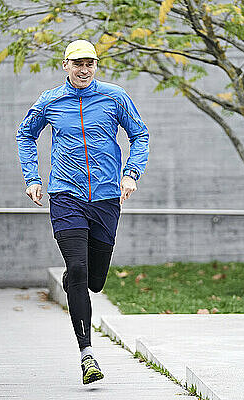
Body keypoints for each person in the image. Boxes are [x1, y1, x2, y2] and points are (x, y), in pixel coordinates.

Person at [16, 39, 149, 384]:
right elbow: (25, 135)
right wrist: (33, 177)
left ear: (96, 65)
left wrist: (131, 173)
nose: (84, 70)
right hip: (65, 195)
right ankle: (86, 353)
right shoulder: (50, 100)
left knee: (95, 280)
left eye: (89, 63)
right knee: (77, 267)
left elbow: (140, 135)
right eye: (77, 64)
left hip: (106, 198)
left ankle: (77, 279)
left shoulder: (114, 97)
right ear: (65, 66)